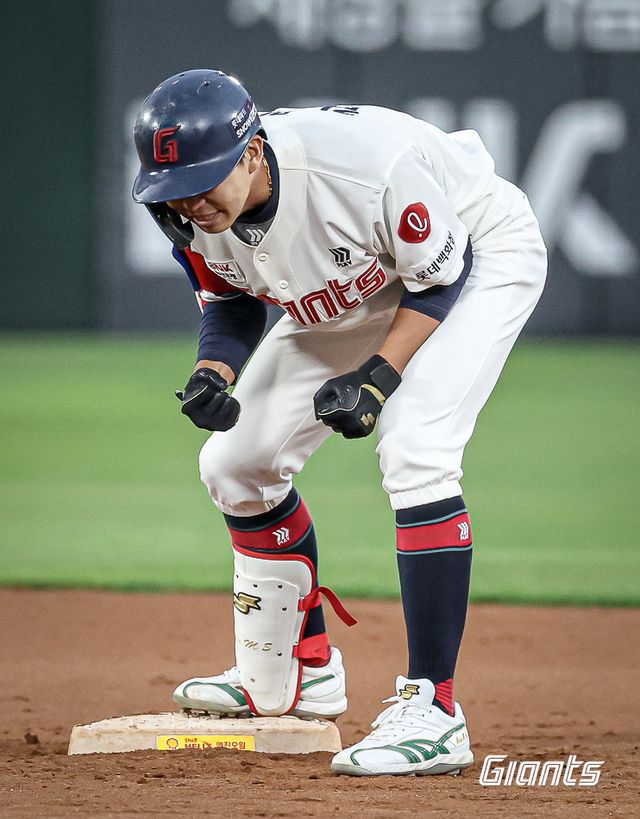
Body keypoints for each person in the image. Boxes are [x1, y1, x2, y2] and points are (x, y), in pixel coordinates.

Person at [132, 69, 546, 777]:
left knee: (415, 445)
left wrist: (377, 378)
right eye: (174, 188)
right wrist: (215, 374)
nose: (191, 202)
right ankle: (301, 666)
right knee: (234, 464)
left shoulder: (359, 169)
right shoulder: (184, 208)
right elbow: (233, 298)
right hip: (350, 286)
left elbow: (442, 276)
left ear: (254, 151)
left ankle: (435, 707)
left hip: (473, 255)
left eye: (205, 180)